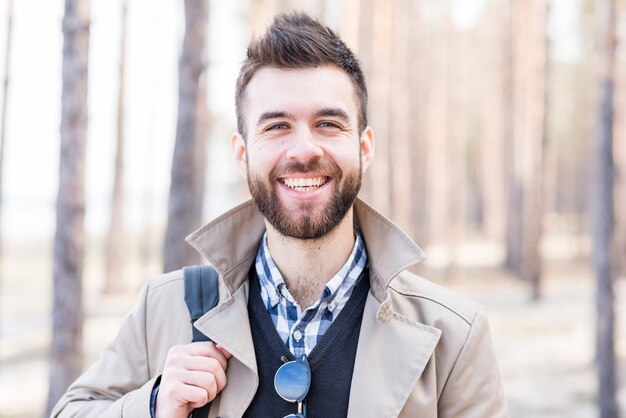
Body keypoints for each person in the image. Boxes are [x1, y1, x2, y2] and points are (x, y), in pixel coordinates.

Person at [51, 12, 508, 418]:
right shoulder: (165, 308)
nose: (304, 149)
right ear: (242, 153)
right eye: (277, 126)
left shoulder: (453, 335)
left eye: (328, 124)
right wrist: (152, 406)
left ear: (364, 148)